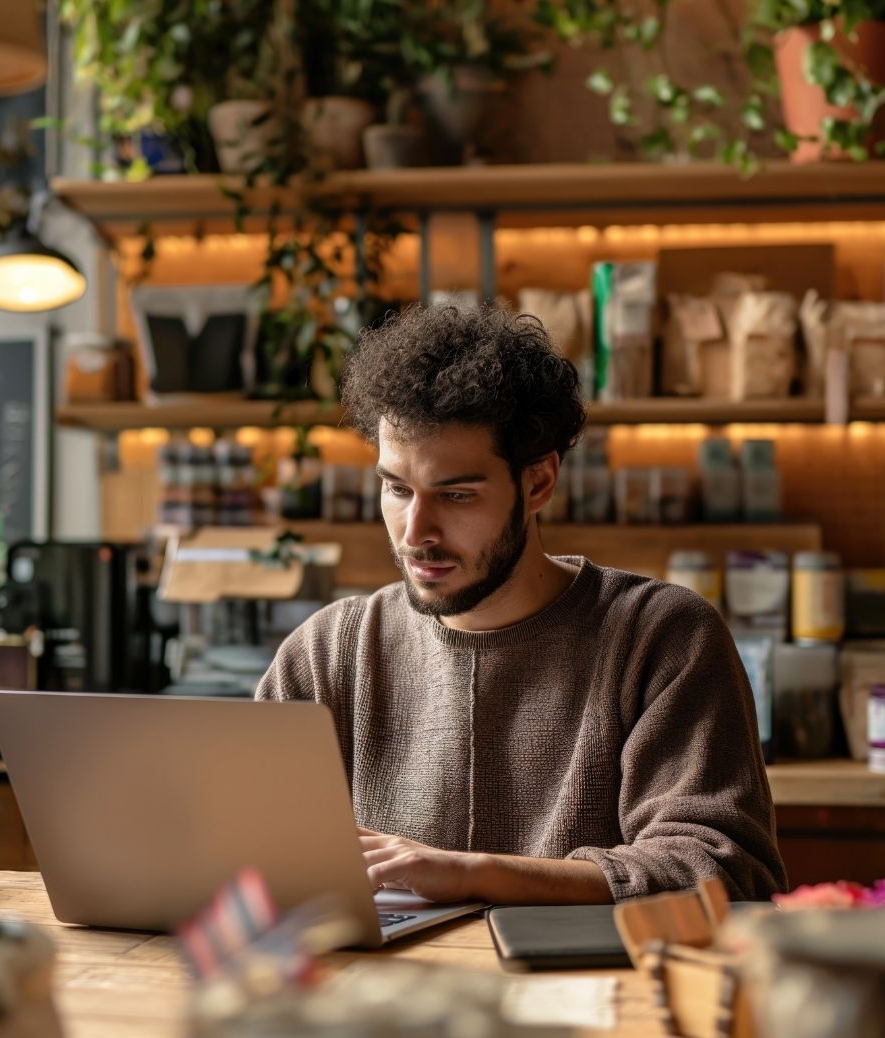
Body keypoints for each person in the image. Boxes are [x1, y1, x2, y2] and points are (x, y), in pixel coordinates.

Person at [257, 304, 787, 904]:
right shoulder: (329, 652)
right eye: (397, 489)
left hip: (586, 997)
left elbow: (722, 868)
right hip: (382, 994)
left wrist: (473, 875)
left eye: (455, 495)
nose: (415, 532)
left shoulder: (662, 636)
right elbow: (245, 849)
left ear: (537, 483)